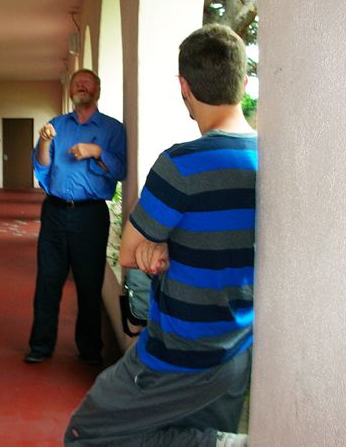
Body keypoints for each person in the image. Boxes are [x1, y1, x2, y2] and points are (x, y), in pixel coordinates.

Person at [64, 24, 257, 447]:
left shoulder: (182, 164)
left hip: (178, 353)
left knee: (86, 433)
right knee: (197, 427)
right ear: (243, 82)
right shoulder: (266, 159)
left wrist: (160, 242)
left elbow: (131, 254)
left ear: (183, 86)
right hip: (237, 345)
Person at [24, 68, 127, 365]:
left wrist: (97, 151)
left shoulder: (112, 129)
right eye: (76, 83)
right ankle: (40, 346)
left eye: (87, 83)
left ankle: (90, 348)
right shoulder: (55, 126)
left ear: (97, 90)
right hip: (55, 211)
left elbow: (121, 170)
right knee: (48, 281)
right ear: (71, 91)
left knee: (89, 284)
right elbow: (42, 167)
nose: (81, 86)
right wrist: (43, 142)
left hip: (91, 215)